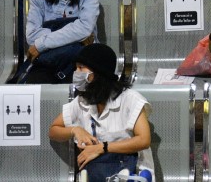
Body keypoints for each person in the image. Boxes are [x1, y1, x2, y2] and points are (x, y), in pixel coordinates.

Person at [49, 44, 154, 182]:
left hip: (132, 174)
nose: (76, 73)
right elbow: (53, 130)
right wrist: (75, 130)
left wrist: (102, 148)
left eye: (81, 68)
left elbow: (143, 140)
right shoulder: (82, 101)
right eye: (76, 68)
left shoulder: (130, 99)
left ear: (98, 72)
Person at [23, 0, 99, 84]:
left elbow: (84, 28)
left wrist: (42, 44)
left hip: (81, 61)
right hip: (48, 59)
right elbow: (32, 36)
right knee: (35, 85)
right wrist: (75, 36)